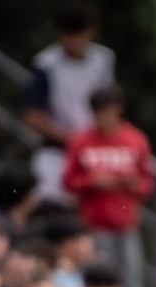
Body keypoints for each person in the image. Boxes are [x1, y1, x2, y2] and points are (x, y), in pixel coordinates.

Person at [23, 7, 116, 209]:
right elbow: (33, 116)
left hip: (95, 149)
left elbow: (109, 103)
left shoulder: (104, 60)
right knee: (53, 205)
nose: (71, 42)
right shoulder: (46, 64)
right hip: (58, 150)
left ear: (90, 32)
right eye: (66, 35)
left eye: (77, 35)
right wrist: (73, 140)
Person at [61, 86, 152, 287]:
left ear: (119, 110)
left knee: (132, 282)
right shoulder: (81, 141)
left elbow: (147, 185)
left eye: (109, 112)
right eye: (100, 113)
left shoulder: (136, 140)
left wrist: (134, 185)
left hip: (126, 224)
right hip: (94, 225)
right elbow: (67, 181)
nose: (105, 118)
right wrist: (92, 182)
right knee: (98, 280)